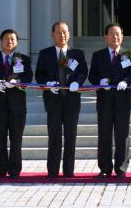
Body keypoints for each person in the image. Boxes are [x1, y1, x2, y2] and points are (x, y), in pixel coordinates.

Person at [35, 21, 88, 178]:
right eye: (59, 32)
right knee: (54, 135)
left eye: (65, 32)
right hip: (53, 100)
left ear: (69, 34)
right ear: (53, 35)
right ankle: (52, 170)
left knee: (71, 135)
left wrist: (77, 82)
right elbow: (39, 74)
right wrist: (47, 84)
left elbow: (83, 71)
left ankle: (68, 170)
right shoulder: (45, 53)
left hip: (72, 100)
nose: (62, 35)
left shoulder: (77, 53)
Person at [88, 23, 131, 178]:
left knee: (122, 135)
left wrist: (126, 81)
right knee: (104, 134)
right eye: (112, 34)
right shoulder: (98, 55)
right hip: (104, 100)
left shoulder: (128, 54)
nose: (115, 37)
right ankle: (104, 168)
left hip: (122, 101)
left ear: (122, 37)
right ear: (105, 37)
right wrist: (100, 82)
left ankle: (121, 167)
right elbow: (92, 76)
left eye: (118, 34)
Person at [0, 29, 33, 179]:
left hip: (17, 107)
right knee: (0, 138)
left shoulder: (23, 59)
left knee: (16, 139)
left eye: (12, 39)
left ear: (16, 42)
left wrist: (17, 82)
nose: (9, 41)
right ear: (1, 41)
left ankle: (15, 170)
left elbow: (28, 77)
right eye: (6, 38)